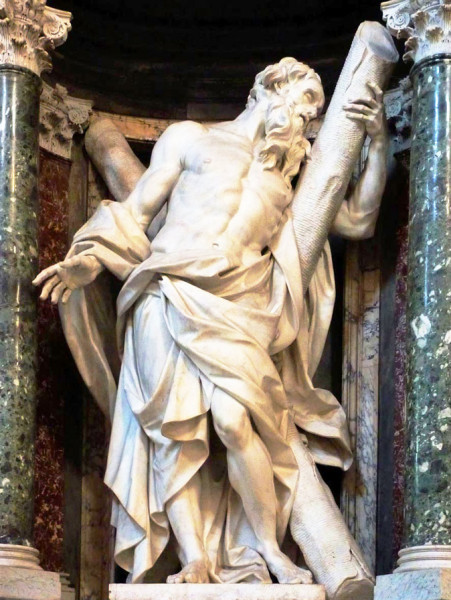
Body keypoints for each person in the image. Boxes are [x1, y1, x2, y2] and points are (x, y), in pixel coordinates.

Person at [33, 58, 387, 585]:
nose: (306, 123)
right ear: (266, 92)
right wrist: (88, 259)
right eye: (301, 106)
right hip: (165, 293)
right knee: (173, 434)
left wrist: (377, 143)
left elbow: (357, 218)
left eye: (313, 116)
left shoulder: (290, 175)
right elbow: (136, 210)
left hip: (239, 306)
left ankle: (268, 549)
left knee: (234, 420)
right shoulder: (190, 139)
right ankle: (195, 556)